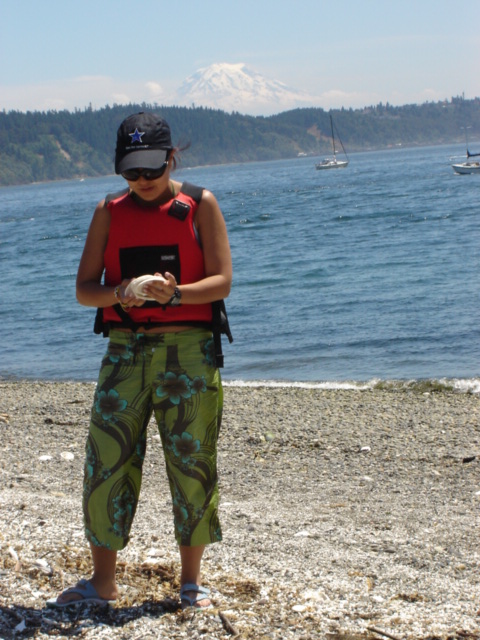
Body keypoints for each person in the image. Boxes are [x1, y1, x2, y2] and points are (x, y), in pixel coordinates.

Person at [47, 112, 232, 610]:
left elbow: (222, 281)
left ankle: (190, 583)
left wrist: (177, 293)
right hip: (124, 351)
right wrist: (120, 292)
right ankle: (102, 582)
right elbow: (84, 289)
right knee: (106, 463)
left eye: (153, 168)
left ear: (172, 158)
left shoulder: (200, 204)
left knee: (192, 463)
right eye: (132, 171)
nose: (144, 180)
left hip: (189, 351)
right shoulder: (108, 211)